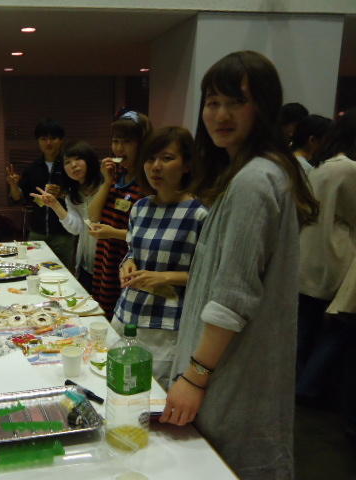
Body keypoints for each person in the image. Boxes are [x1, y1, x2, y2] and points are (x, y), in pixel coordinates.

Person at [160, 51, 318, 480]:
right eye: (213, 102)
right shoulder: (256, 172)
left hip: (232, 371)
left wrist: (194, 377)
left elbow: (233, 297)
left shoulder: (254, 180)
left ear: (263, 107)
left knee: (227, 464)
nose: (221, 115)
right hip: (236, 366)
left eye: (237, 102)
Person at [113, 127, 208, 389]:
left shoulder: (199, 213)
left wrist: (165, 277)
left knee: (151, 394)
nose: (156, 167)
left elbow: (210, 276)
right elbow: (132, 250)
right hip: (127, 313)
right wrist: (127, 264)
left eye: (167, 158)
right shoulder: (141, 207)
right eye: (150, 158)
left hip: (167, 323)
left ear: (187, 165)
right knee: (118, 386)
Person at [297, 109, 356, 407]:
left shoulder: (320, 168)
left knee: (304, 327)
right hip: (334, 256)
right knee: (334, 329)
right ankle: (307, 387)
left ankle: (296, 384)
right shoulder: (350, 170)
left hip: (307, 255)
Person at [88, 110, 153, 319]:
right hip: (106, 258)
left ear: (142, 144)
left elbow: (149, 235)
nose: (118, 148)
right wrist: (107, 181)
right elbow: (93, 215)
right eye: (115, 141)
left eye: (126, 142)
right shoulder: (116, 177)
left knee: (123, 317)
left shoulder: (149, 183)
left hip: (130, 262)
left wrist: (113, 233)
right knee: (104, 313)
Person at [27, 140, 102, 292]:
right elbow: (76, 228)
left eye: (78, 159)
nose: (73, 165)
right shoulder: (73, 193)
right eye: (67, 162)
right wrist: (55, 204)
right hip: (86, 262)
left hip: (108, 260)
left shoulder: (104, 186)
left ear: (90, 160)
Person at [6, 118, 76, 269]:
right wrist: (13, 185)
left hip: (63, 233)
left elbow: (80, 197)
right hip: (37, 232)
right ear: (38, 141)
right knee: (34, 270)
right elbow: (18, 197)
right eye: (43, 139)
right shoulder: (32, 169)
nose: (48, 143)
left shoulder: (70, 166)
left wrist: (62, 194)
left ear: (61, 140)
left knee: (65, 273)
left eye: (53, 138)